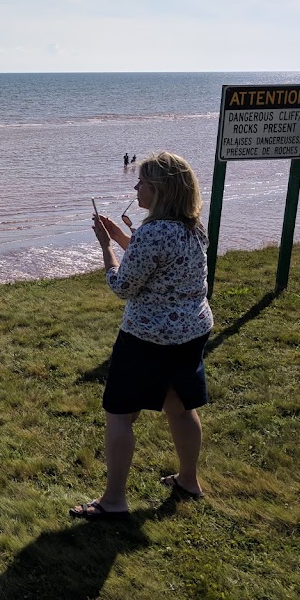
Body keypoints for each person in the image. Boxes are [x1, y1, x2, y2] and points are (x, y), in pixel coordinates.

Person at [70, 151, 214, 519]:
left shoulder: (153, 232)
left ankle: (114, 501)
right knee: (180, 409)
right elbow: (160, 263)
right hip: (191, 330)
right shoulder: (193, 226)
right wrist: (120, 235)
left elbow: (124, 286)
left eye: (142, 183)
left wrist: (106, 249)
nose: (135, 187)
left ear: (160, 190)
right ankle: (189, 479)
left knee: (120, 414)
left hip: (147, 338)